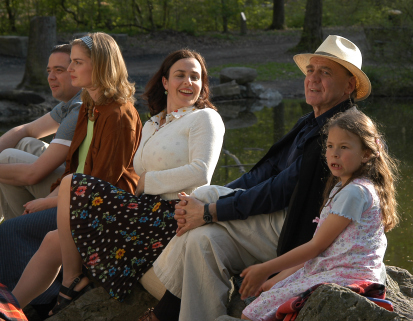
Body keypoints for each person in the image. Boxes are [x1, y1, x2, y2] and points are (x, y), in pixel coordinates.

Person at [141, 35, 373, 321]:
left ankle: (161, 299)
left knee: (204, 199)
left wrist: (213, 209)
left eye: (325, 72)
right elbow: (263, 172)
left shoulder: (339, 131)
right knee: (203, 238)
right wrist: (217, 201)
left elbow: (281, 190)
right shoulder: (311, 122)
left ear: (349, 85)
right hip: (274, 222)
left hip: (296, 231)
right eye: (311, 70)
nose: (313, 78)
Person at [11, 49, 225, 316]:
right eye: (180, 75)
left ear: (202, 84)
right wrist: (142, 186)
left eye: (195, 77)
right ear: (165, 82)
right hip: (143, 211)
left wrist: (147, 181)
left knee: (71, 183)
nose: (188, 82)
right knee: (55, 240)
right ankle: (4, 310)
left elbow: (201, 173)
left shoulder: (205, 118)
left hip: (173, 215)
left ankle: (71, 281)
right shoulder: (153, 124)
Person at [0, 32, 142, 314]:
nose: (69, 70)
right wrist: (56, 194)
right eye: (70, 62)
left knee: (11, 228)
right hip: (74, 197)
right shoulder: (89, 106)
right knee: (26, 224)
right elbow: (73, 166)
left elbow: (103, 184)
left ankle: (16, 301)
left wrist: (49, 201)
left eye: (76, 63)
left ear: (101, 66)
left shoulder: (119, 115)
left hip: (102, 209)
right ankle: (7, 304)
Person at [239, 108, 399, 320]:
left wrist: (265, 269)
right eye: (330, 146)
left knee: (250, 315)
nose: (334, 153)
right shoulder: (345, 187)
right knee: (265, 298)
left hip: (346, 275)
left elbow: (316, 247)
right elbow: (319, 251)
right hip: (332, 267)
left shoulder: (355, 192)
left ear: (366, 153)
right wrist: (275, 281)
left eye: (344, 147)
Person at [0, 44, 82, 253]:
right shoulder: (71, 103)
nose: (51, 77)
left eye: (59, 70)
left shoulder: (80, 108)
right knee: (24, 144)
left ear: (76, 71)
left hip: (77, 193)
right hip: (73, 179)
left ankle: (17, 236)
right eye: (49, 71)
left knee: (8, 159)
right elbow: (26, 129)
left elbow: (33, 175)